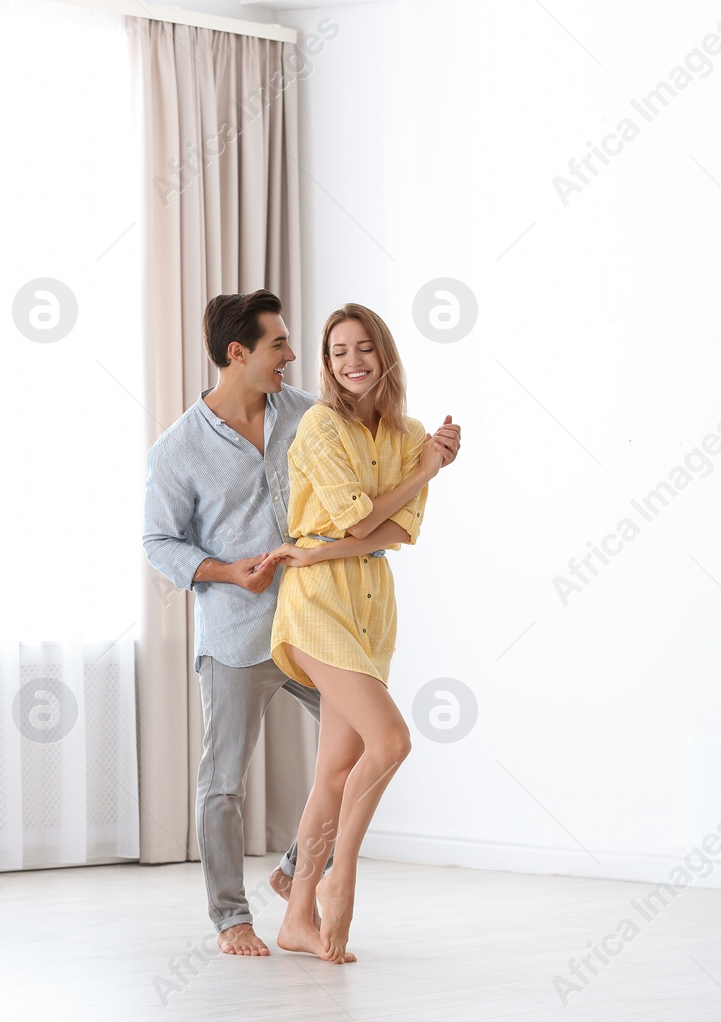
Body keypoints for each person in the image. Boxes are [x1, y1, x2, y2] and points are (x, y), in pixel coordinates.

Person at [142, 290, 460, 957]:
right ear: (240, 354)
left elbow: (370, 506)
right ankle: (233, 918)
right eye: (279, 345)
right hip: (238, 628)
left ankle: (297, 875)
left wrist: (423, 456)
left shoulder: (307, 413)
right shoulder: (179, 449)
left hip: (323, 612)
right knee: (224, 779)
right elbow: (160, 543)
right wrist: (230, 573)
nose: (294, 355)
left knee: (349, 759)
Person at [257, 302, 452, 964]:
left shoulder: (409, 433)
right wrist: (423, 474)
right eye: (338, 352)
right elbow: (361, 519)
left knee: (336, 770)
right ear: (327, 362)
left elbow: (398, 532)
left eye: (363, 347)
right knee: (391, 739)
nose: (352, 362)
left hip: (367, 602)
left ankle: (296, 916)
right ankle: (342, 876)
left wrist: (323, 549)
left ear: (384, 353)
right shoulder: (318, 427)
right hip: (315, 605)